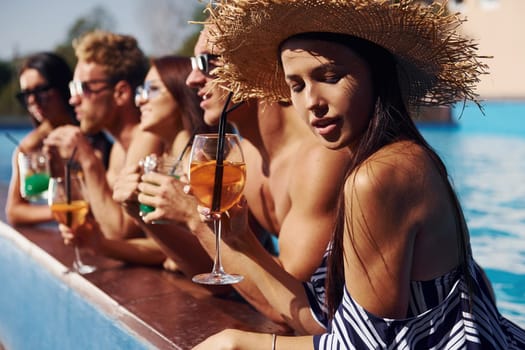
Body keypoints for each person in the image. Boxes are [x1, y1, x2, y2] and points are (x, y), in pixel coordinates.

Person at [188, 0, 525, 349]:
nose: (312, 102)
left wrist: (239, 344)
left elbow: (362, 345)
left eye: (330, 77)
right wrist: (241, 240)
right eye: (297, 85)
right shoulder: (400, 158)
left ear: (377, 76)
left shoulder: (380, 175)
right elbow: (328, 322)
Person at [135, 26, 350, 332]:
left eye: (208, 63)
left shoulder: (319, 156)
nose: (193, 79)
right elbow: (224, 276)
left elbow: (292, 306)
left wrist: (194, 220)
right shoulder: (243, 158)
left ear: (258, 69)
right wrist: (153, 215)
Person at [61, 55, 216, 272]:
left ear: (183, 93)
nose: (140, 100)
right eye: (142, 91)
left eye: (152, 90)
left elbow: (208, 255)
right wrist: (99, 244)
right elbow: (165, 247)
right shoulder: (168, 161)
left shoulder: (200, 164)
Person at [43, 30, 161, 240]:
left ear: (121, 93)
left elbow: (120, 230)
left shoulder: (148, 137)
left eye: (83, 88)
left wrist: (88, 160)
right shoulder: (118, 148)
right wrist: (64, 167)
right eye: (73, 88)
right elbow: (97, 212)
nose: (73, 100)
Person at [5, 52, 112, 226]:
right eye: (26, 94)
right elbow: (14, 211)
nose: (33, 100)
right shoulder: (30, 146)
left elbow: (105, 207)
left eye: (41, 91)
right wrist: (64, 209)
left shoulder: (91, 141)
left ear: (63, 87)